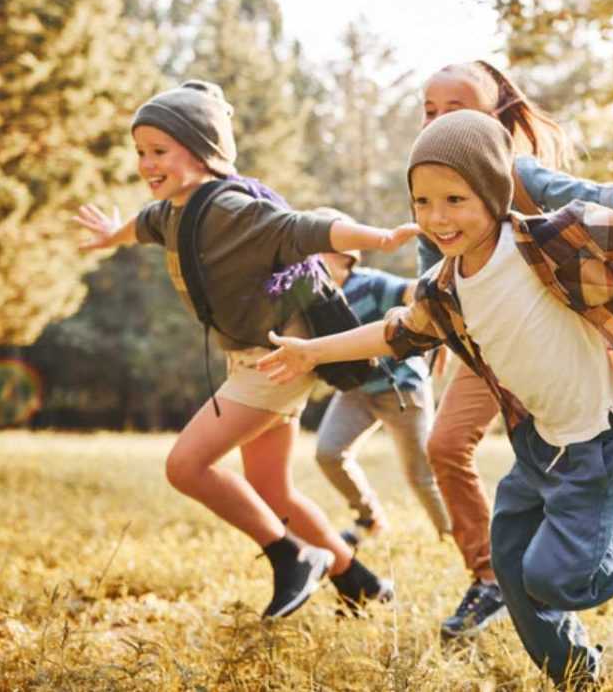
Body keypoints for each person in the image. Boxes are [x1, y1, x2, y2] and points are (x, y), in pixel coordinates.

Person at [257, 109, 613, 685]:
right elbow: (397, 332)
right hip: (537, 445)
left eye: (455, 199)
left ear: (494, 193)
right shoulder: (445, 288)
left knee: (556, 579)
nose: (437, 218)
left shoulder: (551, 241)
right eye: (422, 202)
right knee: (513, 569)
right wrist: (313, 351)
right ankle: (576, 674)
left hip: (599, 440)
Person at [72, 80, 416, 618]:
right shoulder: (173, 211)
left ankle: (291, 557)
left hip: (276, 358)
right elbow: (142, 227)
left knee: (186, 466)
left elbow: (301, 229)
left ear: (204, 150)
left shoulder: (229, 207)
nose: (146, 164)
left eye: (159, 151)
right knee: (270, 489)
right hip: (256, 356)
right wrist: (111, 233)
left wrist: (378, 238)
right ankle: (361, 585)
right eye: (140, 152)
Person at [414, 60, 613, 640]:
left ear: (498, 116)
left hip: (555, 339)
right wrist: (436, 340)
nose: (439, 121)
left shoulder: (521, 173)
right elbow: (432, 275)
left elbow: (600, 199)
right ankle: (489, 579)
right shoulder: (431, 185)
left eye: (457, 108)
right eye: (429, 111)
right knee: (445, 444)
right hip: (489, 350)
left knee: (576, 455)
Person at [309, 208, 453, 543]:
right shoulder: (315, 297)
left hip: (401, 390)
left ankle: (452, 534)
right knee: (328, 453)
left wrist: (441, 328)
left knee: (420, 474)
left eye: (317, 250)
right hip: (356, 392)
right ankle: (369, 519)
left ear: (343, 255)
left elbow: (415, 292)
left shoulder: (371, 284)